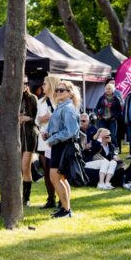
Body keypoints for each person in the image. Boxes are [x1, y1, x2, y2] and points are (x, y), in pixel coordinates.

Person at [43, 80, 81, 218]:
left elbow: (69, 131)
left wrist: (51, 139)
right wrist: (48, 133)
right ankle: (66, 208)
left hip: (63, 146)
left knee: (55, 178)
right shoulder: (61, 106)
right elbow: (59, 127)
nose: (58, 92)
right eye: (57, 90)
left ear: (70, 93)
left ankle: (66, 210)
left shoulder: (68, 108)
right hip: (59, 145)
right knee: (61, 178)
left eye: (62, 90)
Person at [35, 75, 59, 209]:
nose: (42, 86)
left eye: (45, 84)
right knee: (46, 170)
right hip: (44, 140)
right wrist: (41, 119)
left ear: (51, 84)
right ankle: (51, 198)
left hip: (58, 140)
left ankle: (62, 199)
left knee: (58, 171)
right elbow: (36, 120)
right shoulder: (40, 102)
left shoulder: (61, 100)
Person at [19, 85, 38, 205]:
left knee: (25, 167)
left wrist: (29, 118)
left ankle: (26, 198)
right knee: (17, 168)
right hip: (15, 135)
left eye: (25, 83)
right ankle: (18, 196)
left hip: (29, 135)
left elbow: (38, 118)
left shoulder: (32, 98)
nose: (23, 85)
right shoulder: (11, 98)